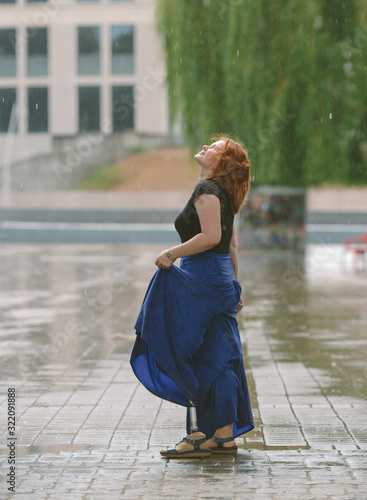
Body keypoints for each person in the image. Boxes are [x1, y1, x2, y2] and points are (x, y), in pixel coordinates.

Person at [130, 135, 254, 458]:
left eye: (215, 148)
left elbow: (212, 237)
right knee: (221, 354)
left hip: (201, 279)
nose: (206, 147)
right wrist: (234, 287)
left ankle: (199, 434)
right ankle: (223, 434)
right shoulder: (224, 195)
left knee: (185, 349)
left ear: (222, 162)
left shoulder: (207, 190)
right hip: (219, 281)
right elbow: (230, 246)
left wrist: (171, 253)